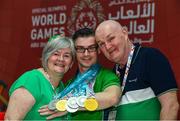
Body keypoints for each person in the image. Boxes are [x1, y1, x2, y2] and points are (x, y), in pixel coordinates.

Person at [95, 20, 179, 120]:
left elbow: (171, 106)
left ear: (125, 33)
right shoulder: (113, 73)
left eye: (111, 38)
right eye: (102, 44)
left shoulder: (150, 57)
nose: (108, 47)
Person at [39, 28, 121, 120]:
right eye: (81, 49)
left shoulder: (106, 76)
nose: (86, 54)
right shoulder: (69, 84)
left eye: (91, 48)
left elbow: (113, 97)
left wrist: (70, 104)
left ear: (98, 50)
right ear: (74, 52)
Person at [4, 35, 75, 120]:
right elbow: (10, 119)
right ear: (46, 57)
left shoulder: (61, 87)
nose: (61, 59)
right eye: (56, 54)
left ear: (71, 63)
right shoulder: (32, 80)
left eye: (66, 56)